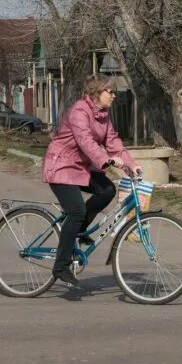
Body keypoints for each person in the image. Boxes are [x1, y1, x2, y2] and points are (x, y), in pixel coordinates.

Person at [42, 75, 139, 287]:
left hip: (81, 168)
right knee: (75, 210)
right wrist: (107, 160)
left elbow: (113, 142)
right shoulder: (79, 111)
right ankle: (60, 267)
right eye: (110, 92)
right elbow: (85, 141)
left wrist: (132, 164)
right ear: (97, 93)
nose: (114, 95)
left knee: (107, 190)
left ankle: (79, 230)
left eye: (115, 92)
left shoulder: (103, 115)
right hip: (61, 167)